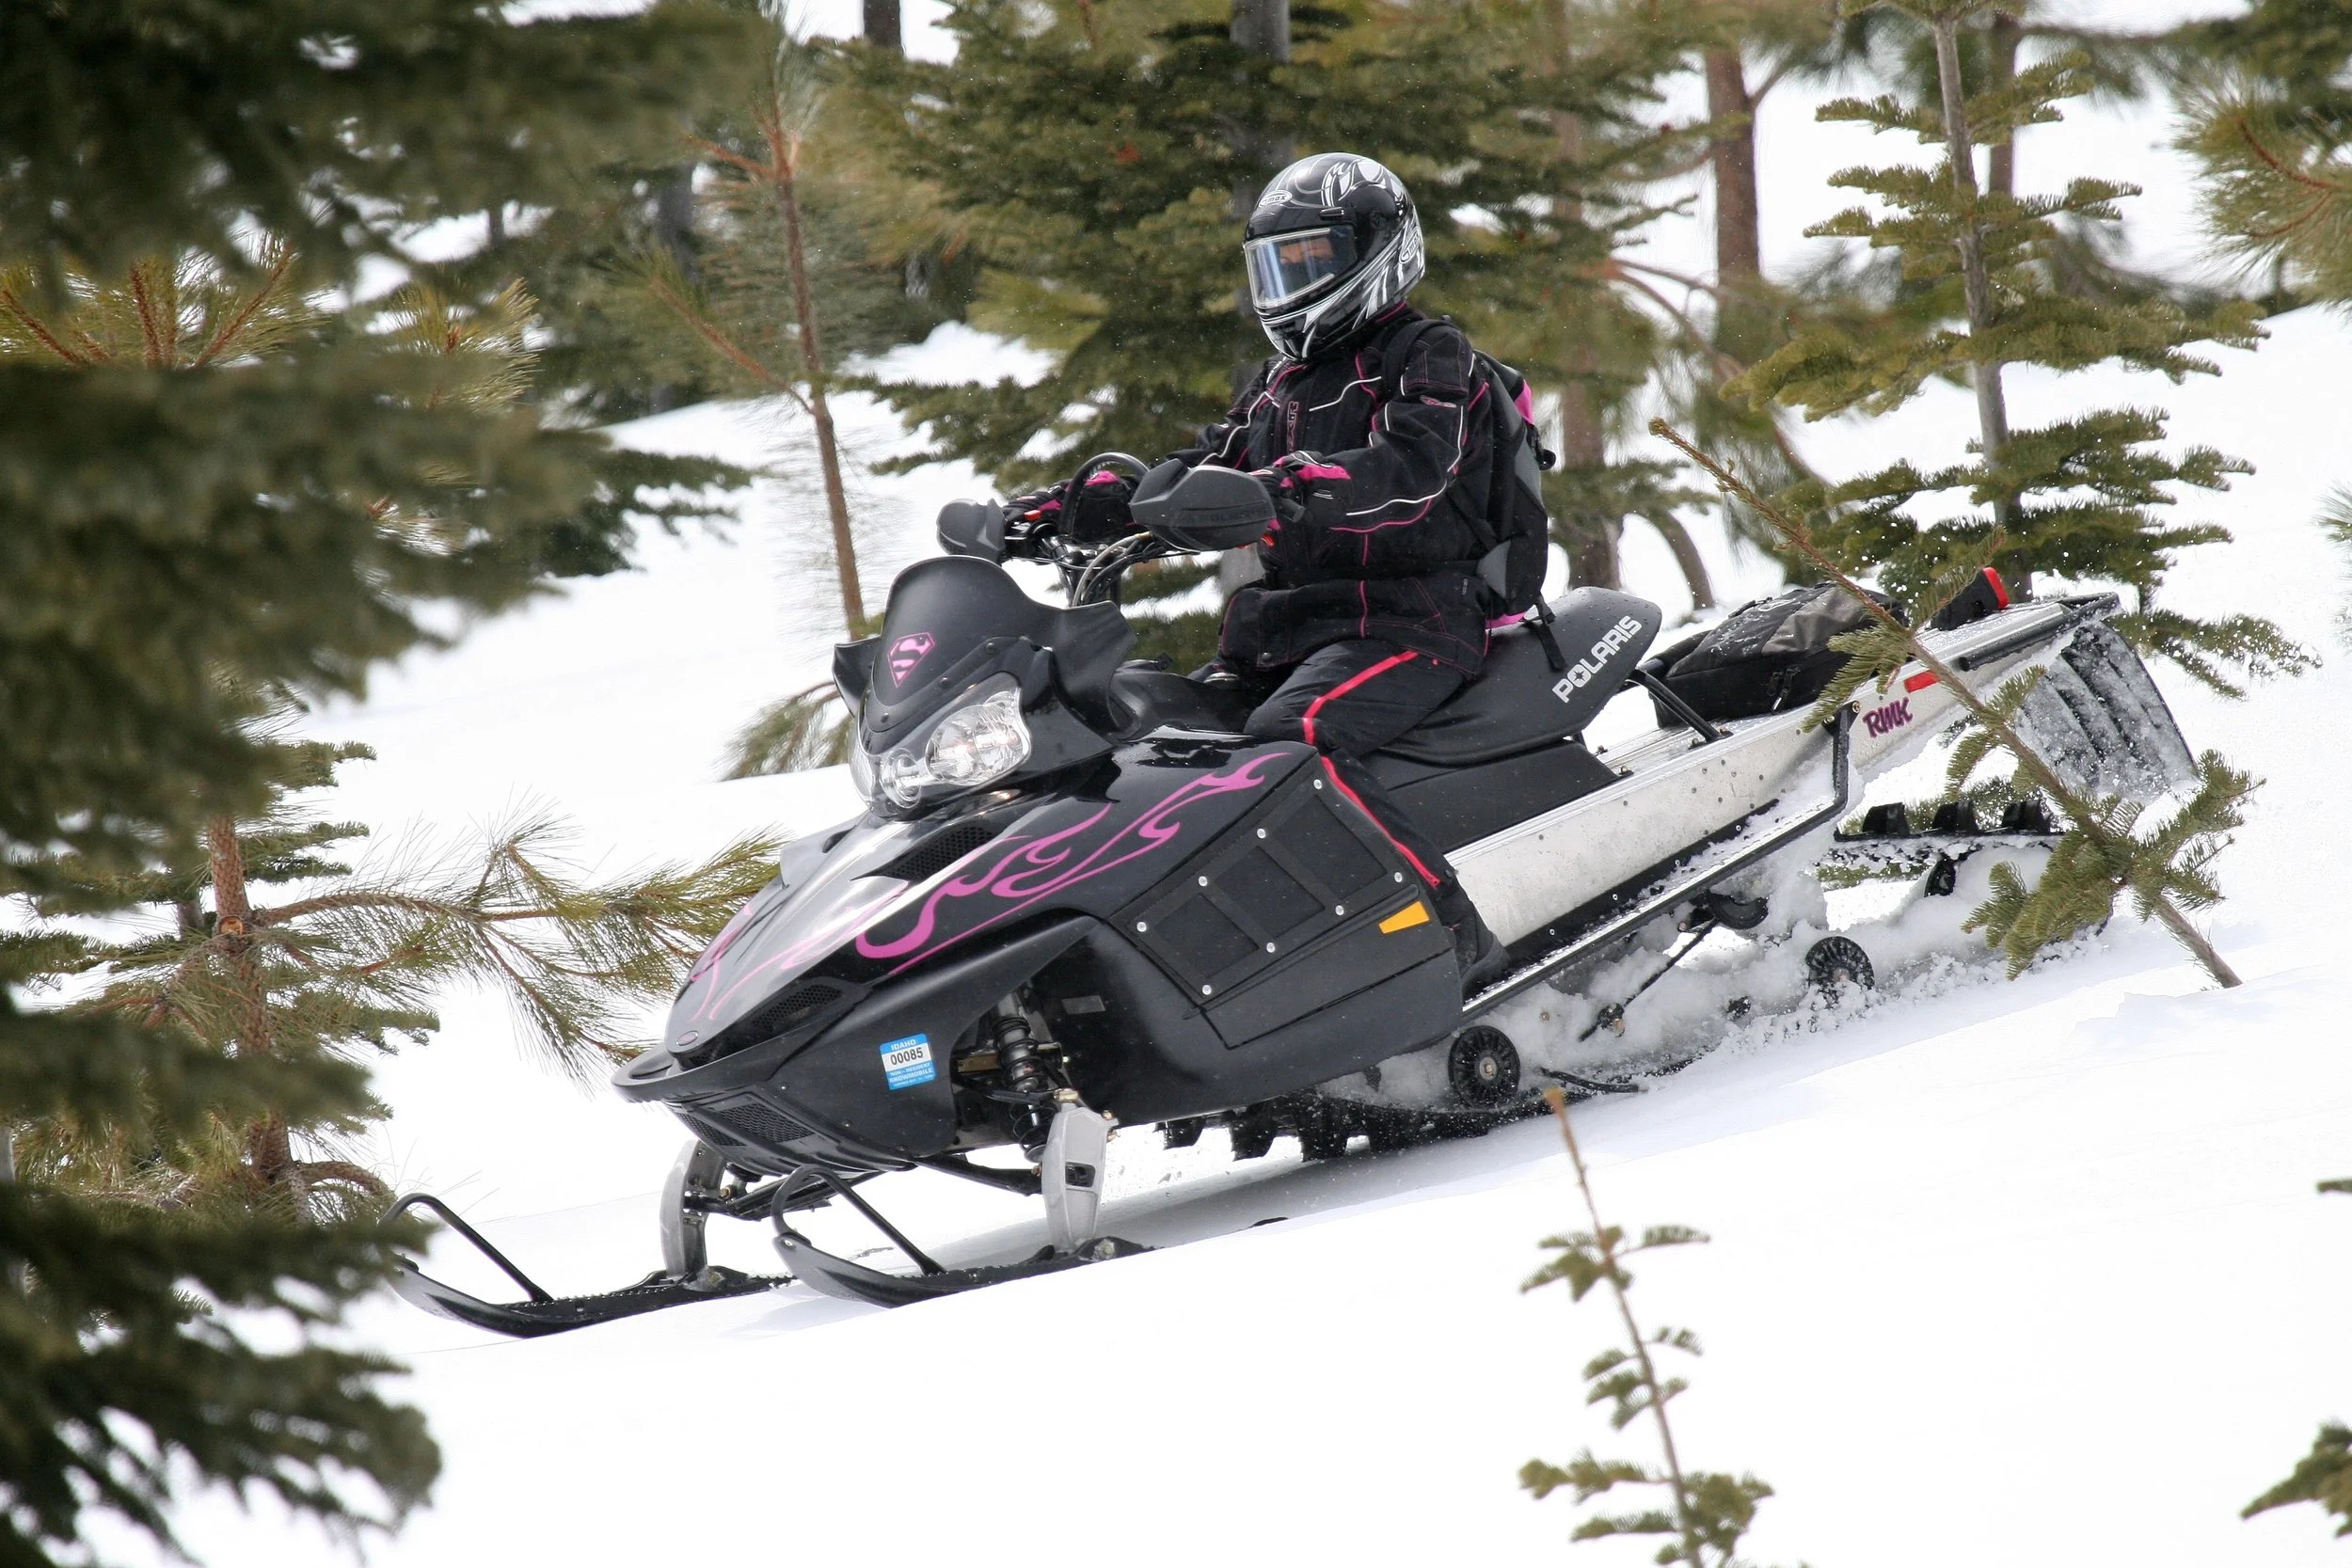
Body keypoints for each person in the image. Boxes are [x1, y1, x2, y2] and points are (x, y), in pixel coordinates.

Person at [1014, 151, 1511, 991]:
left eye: (1311, 261)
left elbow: (1411, 468)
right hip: (1290, 630)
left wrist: (1288, 487)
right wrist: (1069, 509)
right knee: (1158, 740)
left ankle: (1448, 930)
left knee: (1295, 738)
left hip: (1409, 620)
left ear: (1378, 252)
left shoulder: (1429, 354)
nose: (1291, 285)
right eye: (1277, 267)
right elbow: (1198, 471)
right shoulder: (1279, 384)